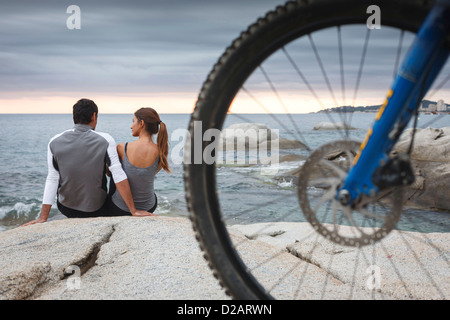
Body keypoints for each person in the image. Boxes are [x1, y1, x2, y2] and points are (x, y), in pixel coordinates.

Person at [22, 99, 152, 227]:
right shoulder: (105, 139)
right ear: (94, 116)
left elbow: (52, 178)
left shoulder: (54, 141)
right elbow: (118, 174)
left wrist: (43, 217)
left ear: (74, 116)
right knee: (114, 171)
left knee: (57, 175)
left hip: (67, 208)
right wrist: (133, 211)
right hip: (97, 209)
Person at [108, 107, 171, 216]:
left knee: (115, 173)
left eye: (133, 122)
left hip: (121, 208)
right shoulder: (161, 152)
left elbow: (109, 173)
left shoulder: (122, 148)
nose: (131, 126)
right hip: (149, 207)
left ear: (141, 123)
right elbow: (144, 175)